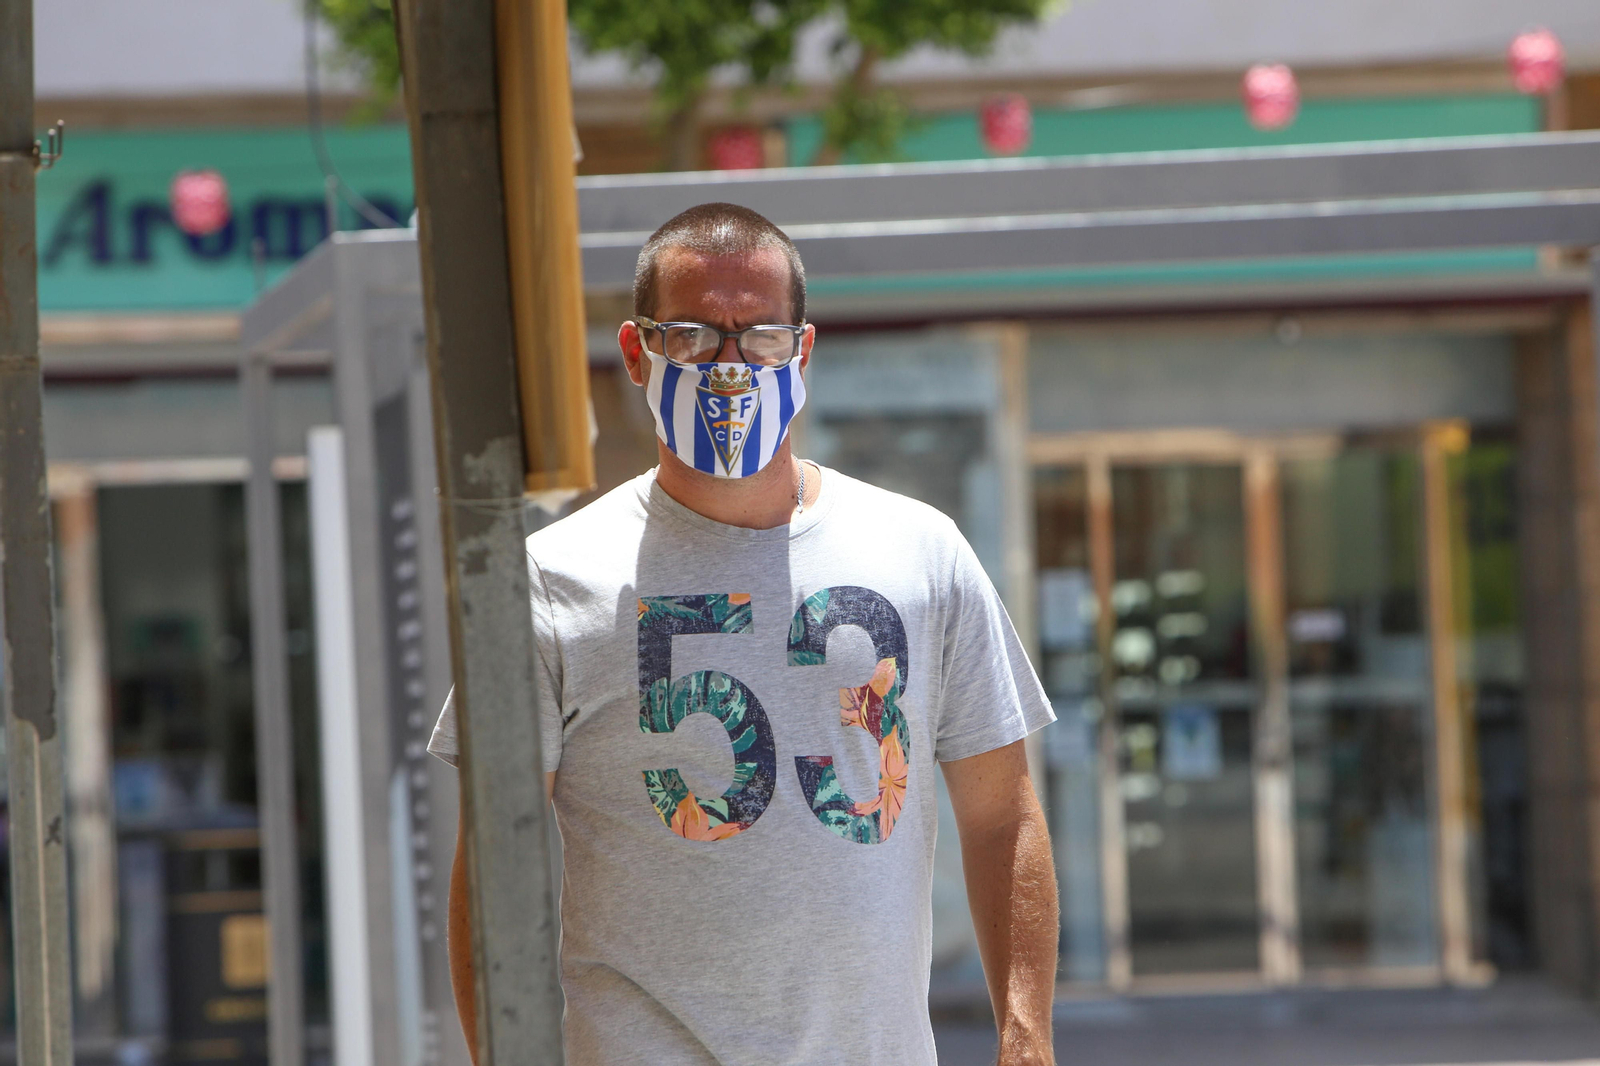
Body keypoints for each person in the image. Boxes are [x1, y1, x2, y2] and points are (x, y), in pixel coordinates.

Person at [429, 202, 1058, 1065]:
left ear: (801, 351)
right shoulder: (548, 581)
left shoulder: (921, 553)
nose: (729, 365)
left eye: (759, 336)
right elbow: (497, 862)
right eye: (690, 337)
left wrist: (1027, 1035)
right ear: (634, 354)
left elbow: (1003, 816)